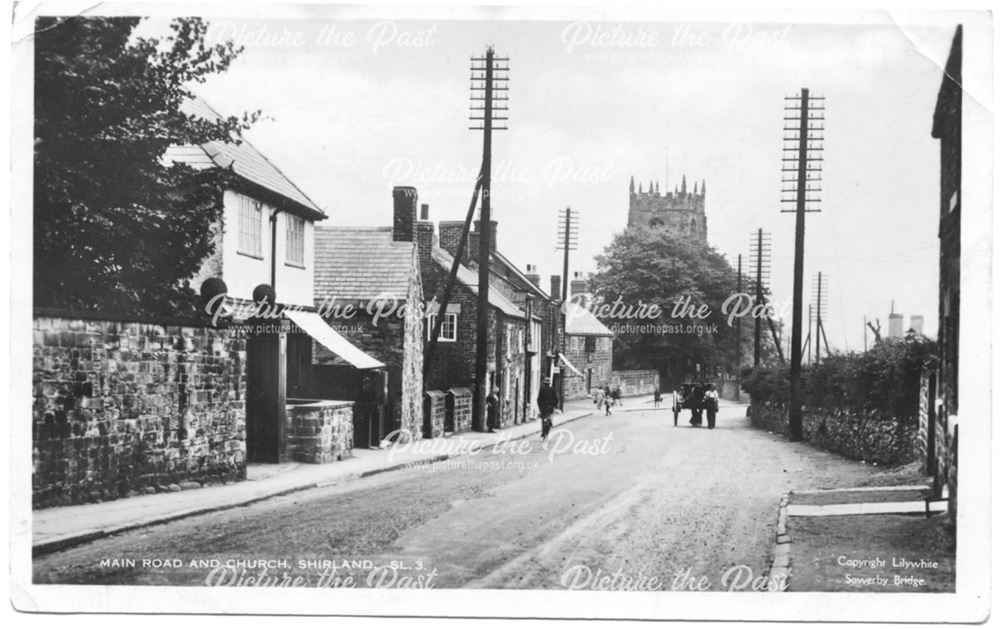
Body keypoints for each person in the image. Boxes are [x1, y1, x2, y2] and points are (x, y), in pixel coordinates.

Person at [537, 377, 558, 442]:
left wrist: (540, 407)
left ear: (544, 383)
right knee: (549, 418)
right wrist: (555, 405)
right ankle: (549, 427)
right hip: (550, 408)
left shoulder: (541, 389)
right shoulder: (552, 389)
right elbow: (556, 399)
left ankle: (543, 432)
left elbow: (539, 399)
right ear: (549, 384)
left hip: (543, 408)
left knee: (543, 420)